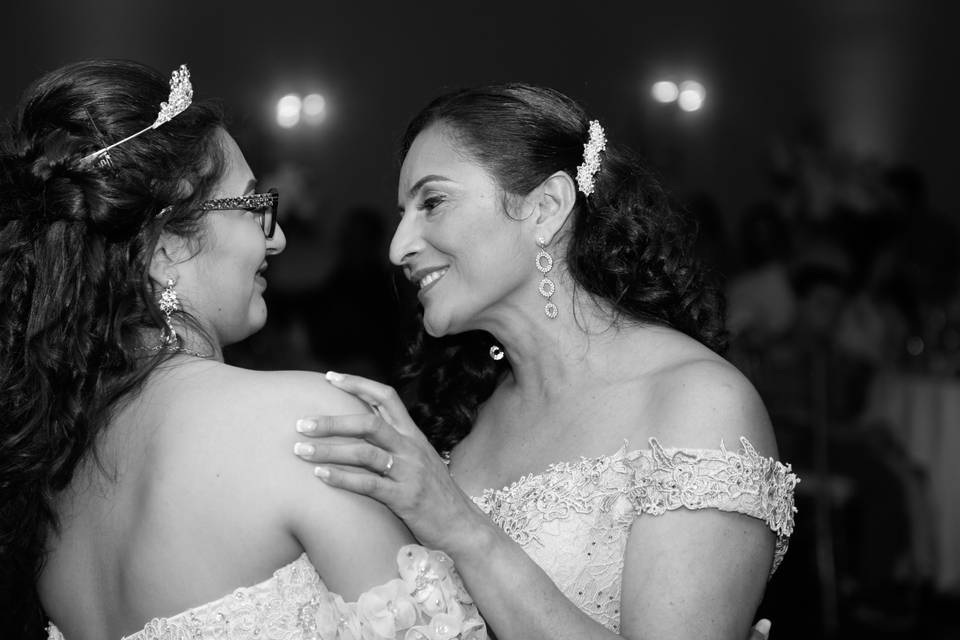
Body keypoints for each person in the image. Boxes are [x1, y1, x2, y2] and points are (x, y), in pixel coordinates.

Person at [291, 84, 799, 640]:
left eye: (432, 203)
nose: (398, 246)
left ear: (546, 207)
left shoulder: (698, 403)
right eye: (402, 213)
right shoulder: (467, 416)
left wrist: (459, 524)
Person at [0, 60, 484, 640]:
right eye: (254, 205)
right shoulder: (304, 423)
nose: (276, 235)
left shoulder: (61, 482)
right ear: (165, 249)